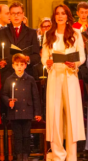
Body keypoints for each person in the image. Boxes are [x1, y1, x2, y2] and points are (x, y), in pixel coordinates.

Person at [42, 4, 86, 160]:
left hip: (70, 76)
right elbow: (44, 56)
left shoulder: (76, 33)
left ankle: (72, 156)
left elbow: (81, 56)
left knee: (71, 116)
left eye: (63, 13)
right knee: (55, 116)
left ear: (68, 16)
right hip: (54, 77)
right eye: (57, 14)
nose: (60, 16)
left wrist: (75, 64)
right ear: (54, 16)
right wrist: (46, 63)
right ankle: (58, 154)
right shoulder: (48, 34)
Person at [2, 53, 42, 161]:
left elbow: (36, 97)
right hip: (15, 112)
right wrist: (8, 101)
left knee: (26, 136)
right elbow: (4, 94)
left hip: (27, 112)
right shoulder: (9, 79)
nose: (19, 66)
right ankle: (19, 156)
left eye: (21, 64)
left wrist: (37, 113)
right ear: (13, 65)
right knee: (18, 136)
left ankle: (25, 156)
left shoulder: (30, 79)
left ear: (25, 65)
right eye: (17, 64)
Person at [0, 1, 40, 85]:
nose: (16, 16)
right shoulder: (1, 33)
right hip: (7, 75)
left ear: (23, 14)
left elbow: (36, 56)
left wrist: (28, 59)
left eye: (18, 13)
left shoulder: (31, 33)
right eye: (13, 13)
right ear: (9, 16)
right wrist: (0, 62)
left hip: (26, 75)